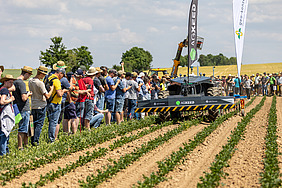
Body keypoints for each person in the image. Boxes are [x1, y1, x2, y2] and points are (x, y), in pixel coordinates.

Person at [29, 66, 54, 146]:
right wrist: (52, 90)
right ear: (42, 74)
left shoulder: (30, 81)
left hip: (33, 105)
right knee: (39, 125)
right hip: (41, 105)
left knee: (33, 124)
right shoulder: (40, 83)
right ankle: (36, 141)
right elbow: (47, 96)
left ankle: (32, 140)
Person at [13, 66, 33, 150]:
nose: (29, 77)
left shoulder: (15, 82)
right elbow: (24, 98)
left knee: (25, 128)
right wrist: (28, 94)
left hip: (18, 107)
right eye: (29, 75)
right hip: (23, 108)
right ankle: (20, 146)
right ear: (26, 74)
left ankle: (25, 144)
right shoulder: (21, 83)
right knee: (23, 128)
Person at [47, 68, 68, 143]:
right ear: (60, 73)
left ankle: (49, 137)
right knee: (54, 122)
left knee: (50, 122)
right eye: (62, 75)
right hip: (55, 103)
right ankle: (52, 139)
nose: (62, 77)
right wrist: (64, 91)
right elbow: (59, 94)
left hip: (49, 102)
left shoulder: (49, 78)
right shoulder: (56, 81)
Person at [0, 75, 16, 155]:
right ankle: (3, 154)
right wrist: (10, 99)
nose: (11, 84)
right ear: (5, 82)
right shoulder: (5, 90)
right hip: (4, 114)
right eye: (10, 82)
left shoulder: (2, 89)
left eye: (12, 82)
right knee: (4, 135)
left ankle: (5, 152)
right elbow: (2, 101)